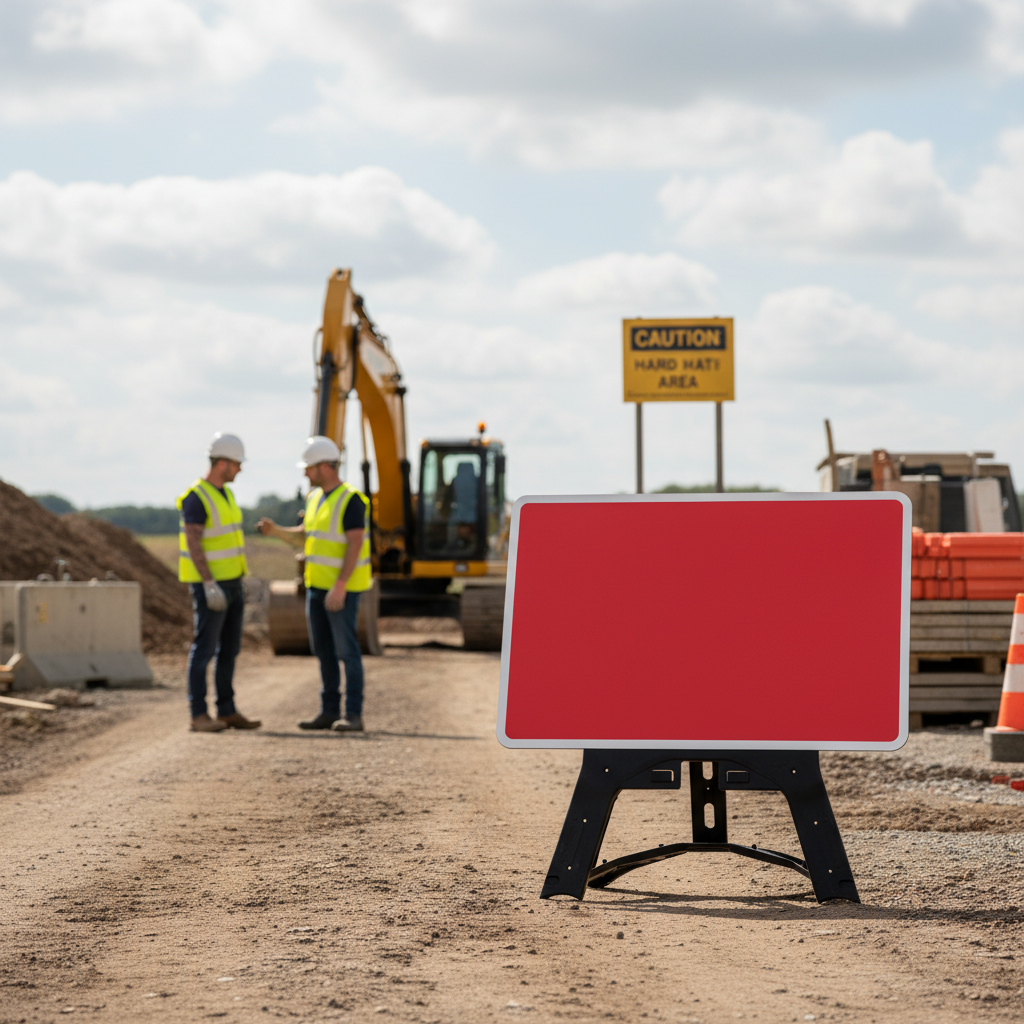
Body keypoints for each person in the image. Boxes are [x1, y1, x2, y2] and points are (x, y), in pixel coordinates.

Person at [256, 436, 371, 732]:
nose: (305, 473)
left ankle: (353, 715)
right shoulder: (315, 498)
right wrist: (276, 531)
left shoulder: (352, 500)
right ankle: (329, 711)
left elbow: (355, 544)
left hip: (341, 590)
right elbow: (305, 536)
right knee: (324, 651)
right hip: (316, 588)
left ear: (325, 466)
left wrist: (341, 585)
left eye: (309, 467)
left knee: (347, 651)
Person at [177, 432, 261, 733]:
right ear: (222, 463)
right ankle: (198, 714)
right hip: (210, 586)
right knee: (204, 649)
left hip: (232, 583)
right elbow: (194, 541)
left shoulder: (226, 494)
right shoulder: (196, 497)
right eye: (237, 464)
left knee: (229, 650)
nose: (239, 469)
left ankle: (226, 710)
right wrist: (209, 583)